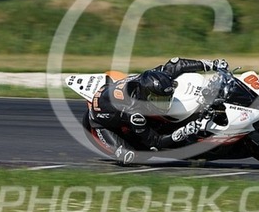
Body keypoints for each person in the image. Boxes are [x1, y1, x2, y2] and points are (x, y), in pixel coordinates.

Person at [84, 57, 229, 165]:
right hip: (100, 121)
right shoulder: (135, 113)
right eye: (158, 100)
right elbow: (156, 142)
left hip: (115, 89)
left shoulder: (156, 77)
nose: (165, 103)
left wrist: (211, 64)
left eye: (166, 98)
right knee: (129, 157)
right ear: (146, 96)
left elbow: (176, 64)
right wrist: (184, 131)